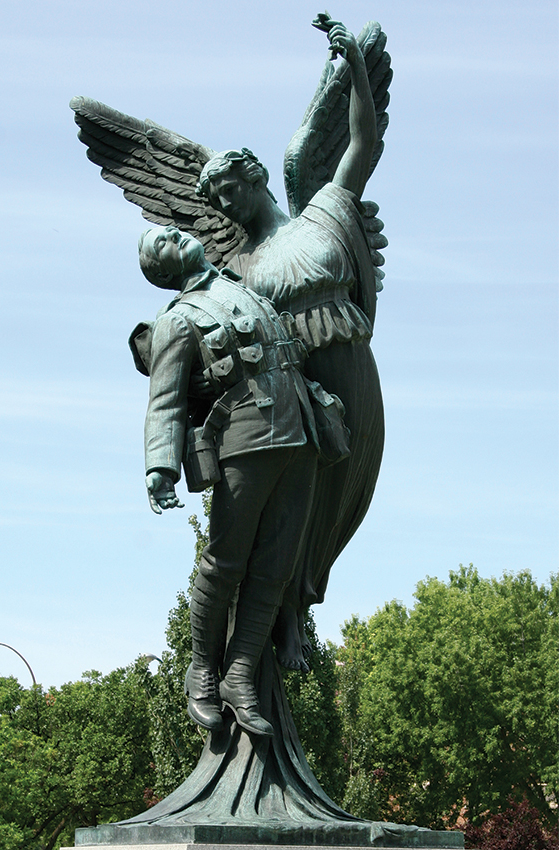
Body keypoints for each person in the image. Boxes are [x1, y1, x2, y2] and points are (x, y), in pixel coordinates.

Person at [195, 20, 385, 672]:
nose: (225, 204)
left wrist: (352, 66)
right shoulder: (237, 268)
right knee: (293, 510)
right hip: (298, 389)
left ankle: (293, 612)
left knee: (336, 502)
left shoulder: (322, 207)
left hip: (352, 367)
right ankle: (280, 627)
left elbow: (361, 141)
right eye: (214, 199)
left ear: (255, 179)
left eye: (229, 189)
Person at [130, 224, 321, 737]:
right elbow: (165, 400)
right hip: (245, 438)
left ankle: (239, 676)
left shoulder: (243, 287)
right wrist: (160, 466)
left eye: (170, 230)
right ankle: (200, 670)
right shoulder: (177, 320)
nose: (174, 233)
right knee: (225, 562)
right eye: (162, 242)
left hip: (300, 434)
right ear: (164, 270)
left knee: (276, 566)